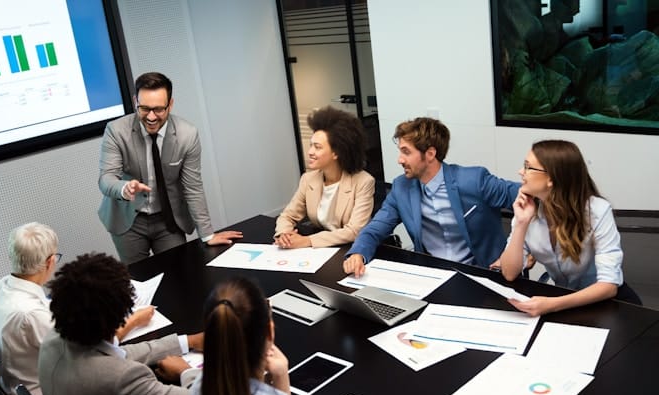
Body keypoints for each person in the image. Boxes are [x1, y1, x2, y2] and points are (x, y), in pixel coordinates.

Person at [38, 252, 203, 395]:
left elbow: (115, 354)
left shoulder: (53, 341)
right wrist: (187, 372)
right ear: (120, 317)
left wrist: (186, 342)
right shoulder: (120, 381)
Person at [0, 222, 153, 395]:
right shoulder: (32, 315)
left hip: (18, 382)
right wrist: (133, 320)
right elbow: (89, 351)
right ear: (50, 261)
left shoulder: (3, 286)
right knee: (129, 379)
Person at [344, 117, 520, 276]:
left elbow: (527, 195)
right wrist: (358, 253)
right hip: (433, 276)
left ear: (430, 154)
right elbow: (376, 228)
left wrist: (526, 250)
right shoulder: (401, 188)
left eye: (406, 152)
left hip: (483, 275)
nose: (400, 160)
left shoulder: (474, 180)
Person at [98, 71, 242, 264]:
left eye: (158, 109)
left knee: (177, 274)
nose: (150, 117)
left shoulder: (187, 135)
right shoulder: (116, 131)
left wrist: (207, 234)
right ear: (135, 101)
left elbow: (193, 187)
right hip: (128, 221)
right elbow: (106, 178)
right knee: (137, 281)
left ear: (170, 104)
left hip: (168, 220)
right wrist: (124, 188)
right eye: (144, 108)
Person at [499, 140, 641, 316]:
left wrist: (553, 305)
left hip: (604, 302)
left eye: (528, 167)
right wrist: (521, 223)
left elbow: (609, 286)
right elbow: (509, 273)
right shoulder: (527, 210)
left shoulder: (597, 211)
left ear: (551, 178)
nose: (521, 172)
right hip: (562, 299)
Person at [274, 106, 375, 248]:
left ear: (336, 153)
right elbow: (288, 216)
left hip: (351, 249)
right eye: (311, 146)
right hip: (320, 250)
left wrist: (308, 241)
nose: (310, 152)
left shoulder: (364, 182)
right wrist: (284, 234)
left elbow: (354, 231)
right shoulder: (308, 179)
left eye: (317, 147)